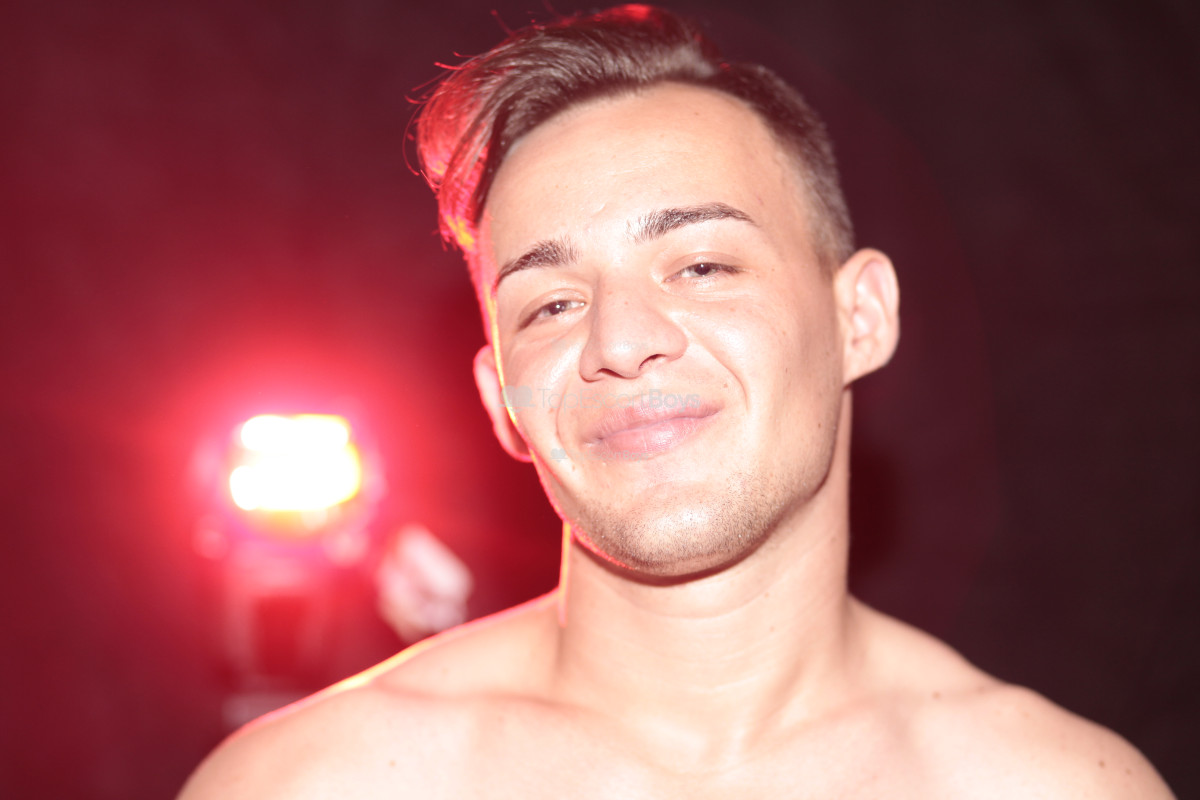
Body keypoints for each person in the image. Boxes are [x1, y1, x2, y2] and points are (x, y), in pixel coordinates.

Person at [179, 5, 1174, 797]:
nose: (619, 341)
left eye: (701, 265)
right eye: (553, 304)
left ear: (860, 317)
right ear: (501, 400)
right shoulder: (313, 784)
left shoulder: (1050, 786)